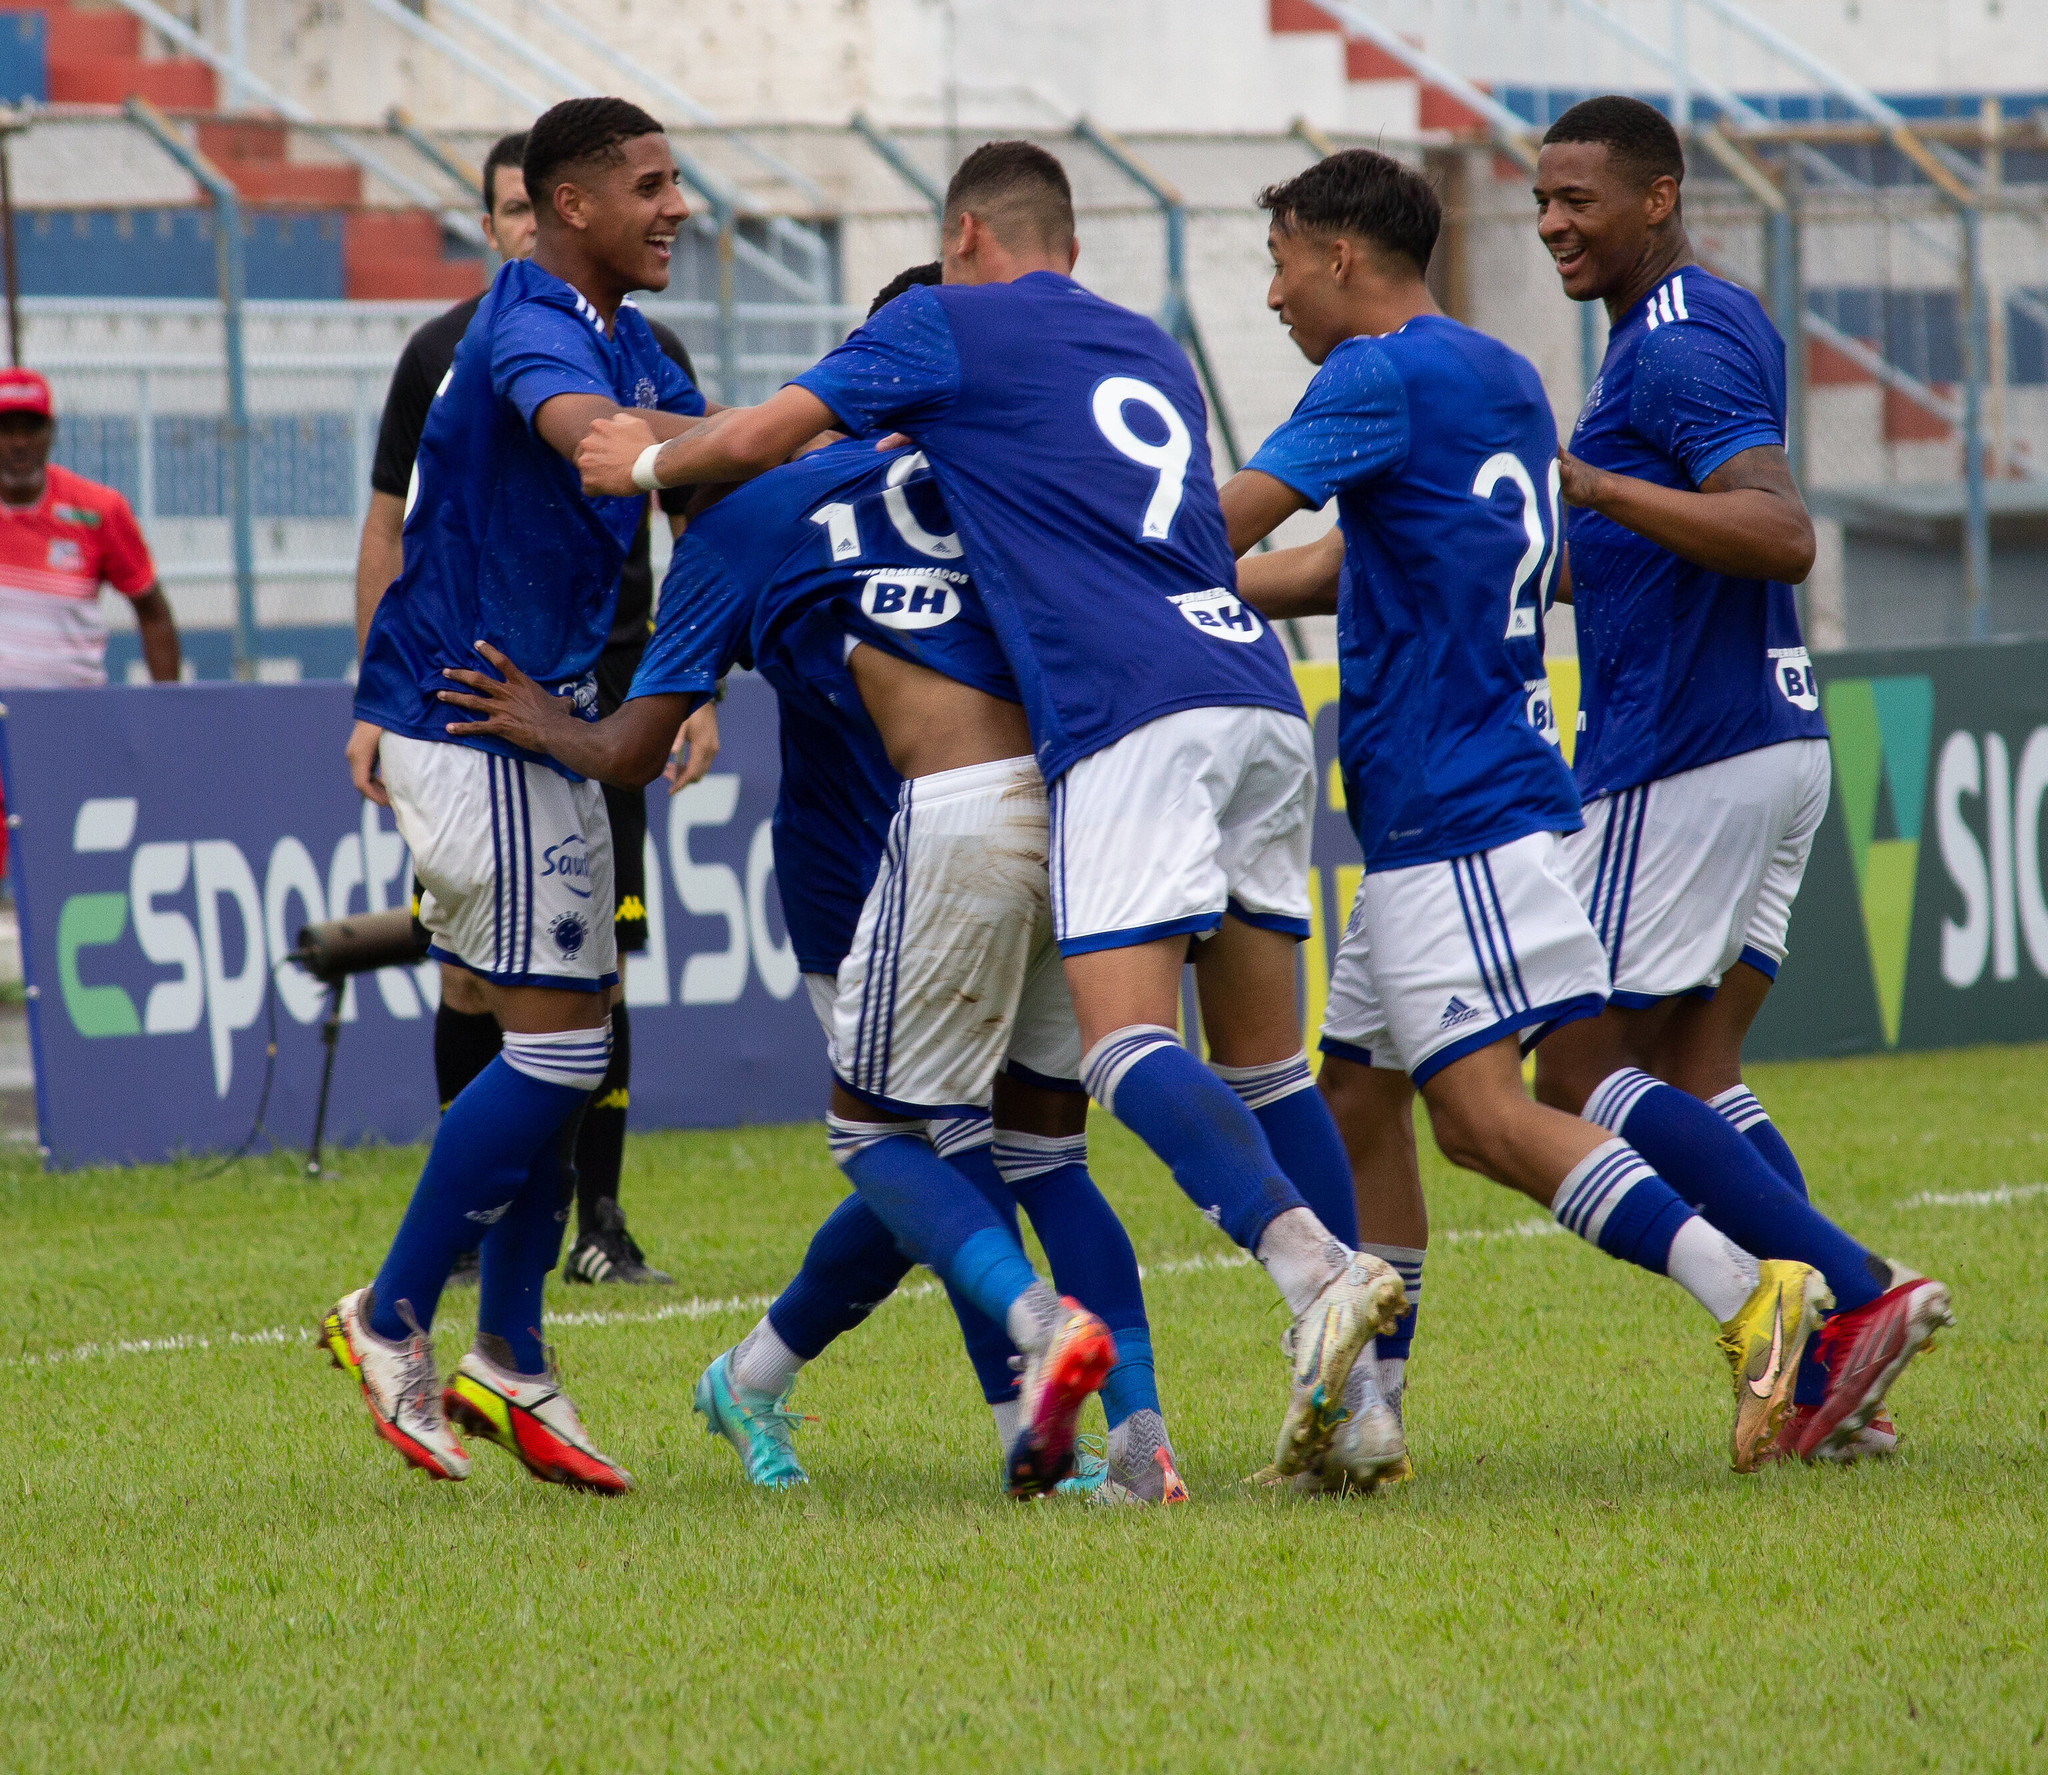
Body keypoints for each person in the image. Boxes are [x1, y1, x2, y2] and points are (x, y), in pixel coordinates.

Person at [576, 140, 1404, 1487]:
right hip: (1136, 750)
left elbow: (640, 723)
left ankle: (1050, 1368)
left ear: (960, 248)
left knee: (890, 1141)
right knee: (1049, 1139)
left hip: (942, 831)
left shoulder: (803, 475)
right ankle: (1127, 1438)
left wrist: (649, 462)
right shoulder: (1058, 414)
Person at [440, 294, 1185, 1504]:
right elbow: (718, 464)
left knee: (958, 1159)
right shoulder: (811, 503)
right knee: (958, 1151)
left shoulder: (905, 473)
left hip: (971, 831)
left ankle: (758, 1371)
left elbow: (722, 455)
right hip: (863, 873)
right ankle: (1028, 1427)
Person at [1219, 146, 1828, 1477]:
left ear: (1336, 255)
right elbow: (1370, 555)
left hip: (1458, 799)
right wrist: (1253, 587)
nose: (1271, 297)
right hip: (1462, 795)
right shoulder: (1495, 371)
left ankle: (1754, 1292)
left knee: (1488, 1116)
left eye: (1277, 264)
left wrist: (1072, 551)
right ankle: (1365, 1412)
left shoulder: (1368, 376)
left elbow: (1227, 522)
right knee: (1359, 1102)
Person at [1527, 96, 1952, 1464]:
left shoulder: (1677, 338)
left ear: (1659, 197)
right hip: (1769, 742)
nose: (1550, 224)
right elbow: (1667, 535)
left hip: (1685, 750)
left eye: (1579, 199)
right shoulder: (1685, 329)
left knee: (1577, 1064)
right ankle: (1841, 1366)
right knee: (1698, 1064)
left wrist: (1590, 489)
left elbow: (1776, 530)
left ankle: (1858, 1285)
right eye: (1540, 201)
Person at [320, 97, 709, 1493]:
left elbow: (701, 462)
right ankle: (394, 1310)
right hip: (471, 718)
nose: (678, 206)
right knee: (553, 1052)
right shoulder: (537, 323)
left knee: (566, 1039)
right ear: (570, 205)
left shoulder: (629, 335)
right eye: (651, 186)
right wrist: (707, 444)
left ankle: (515, 1359)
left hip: (536, 724)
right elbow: (600, 440)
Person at [0, 365, 181, 878]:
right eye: (5, 428)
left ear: (50, 433)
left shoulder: (97, 510)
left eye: (29, 427)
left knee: (69, 873)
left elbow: (152, 609)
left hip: (70, 723)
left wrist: (168, 708)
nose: (17, 443)